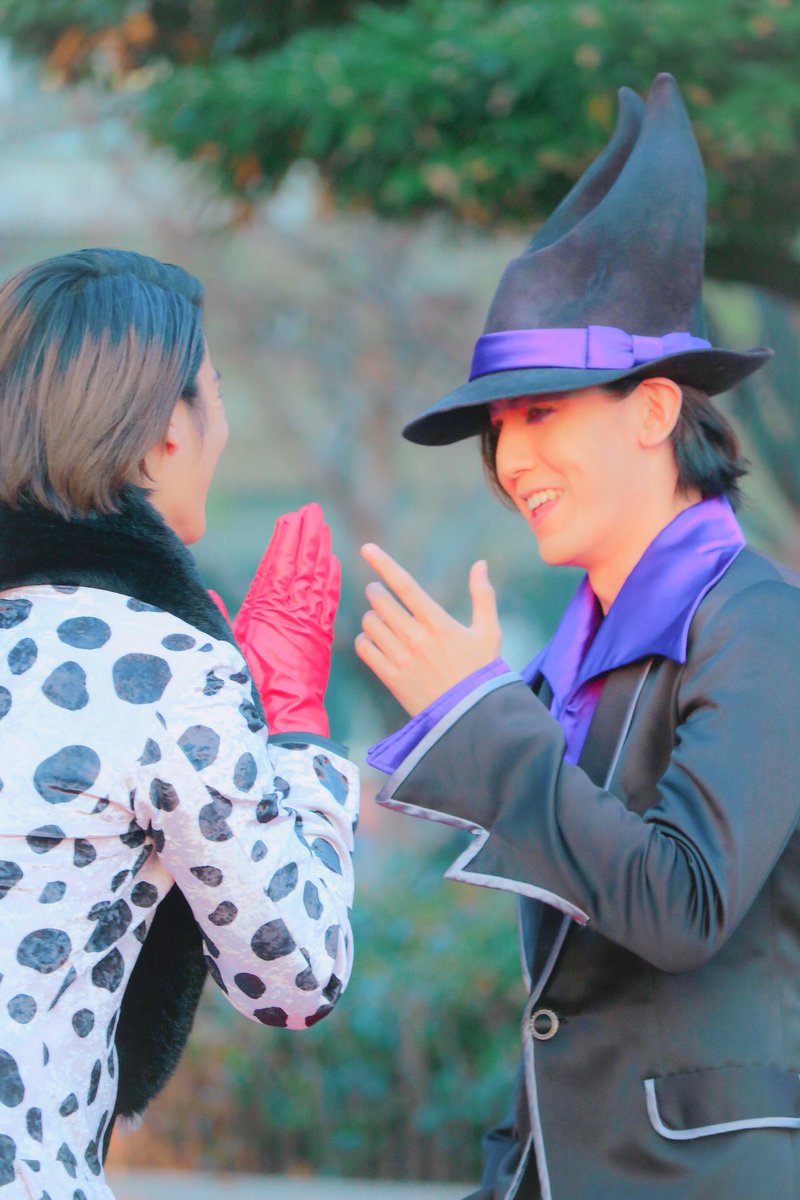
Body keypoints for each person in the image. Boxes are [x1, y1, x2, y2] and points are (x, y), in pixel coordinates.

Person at [356, 74, 800, 1199]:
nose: (511, 461)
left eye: (543, 413)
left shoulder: (757, 619)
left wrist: (481, 718)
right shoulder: (577, 655)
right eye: (499, 428)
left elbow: (681, 906)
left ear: (655, 410)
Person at [0, 247, 358, 1198]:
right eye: (217, 396)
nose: (221, 428)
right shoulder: (159, 668)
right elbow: (295, 975)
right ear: (167, 429)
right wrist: (295, 729)